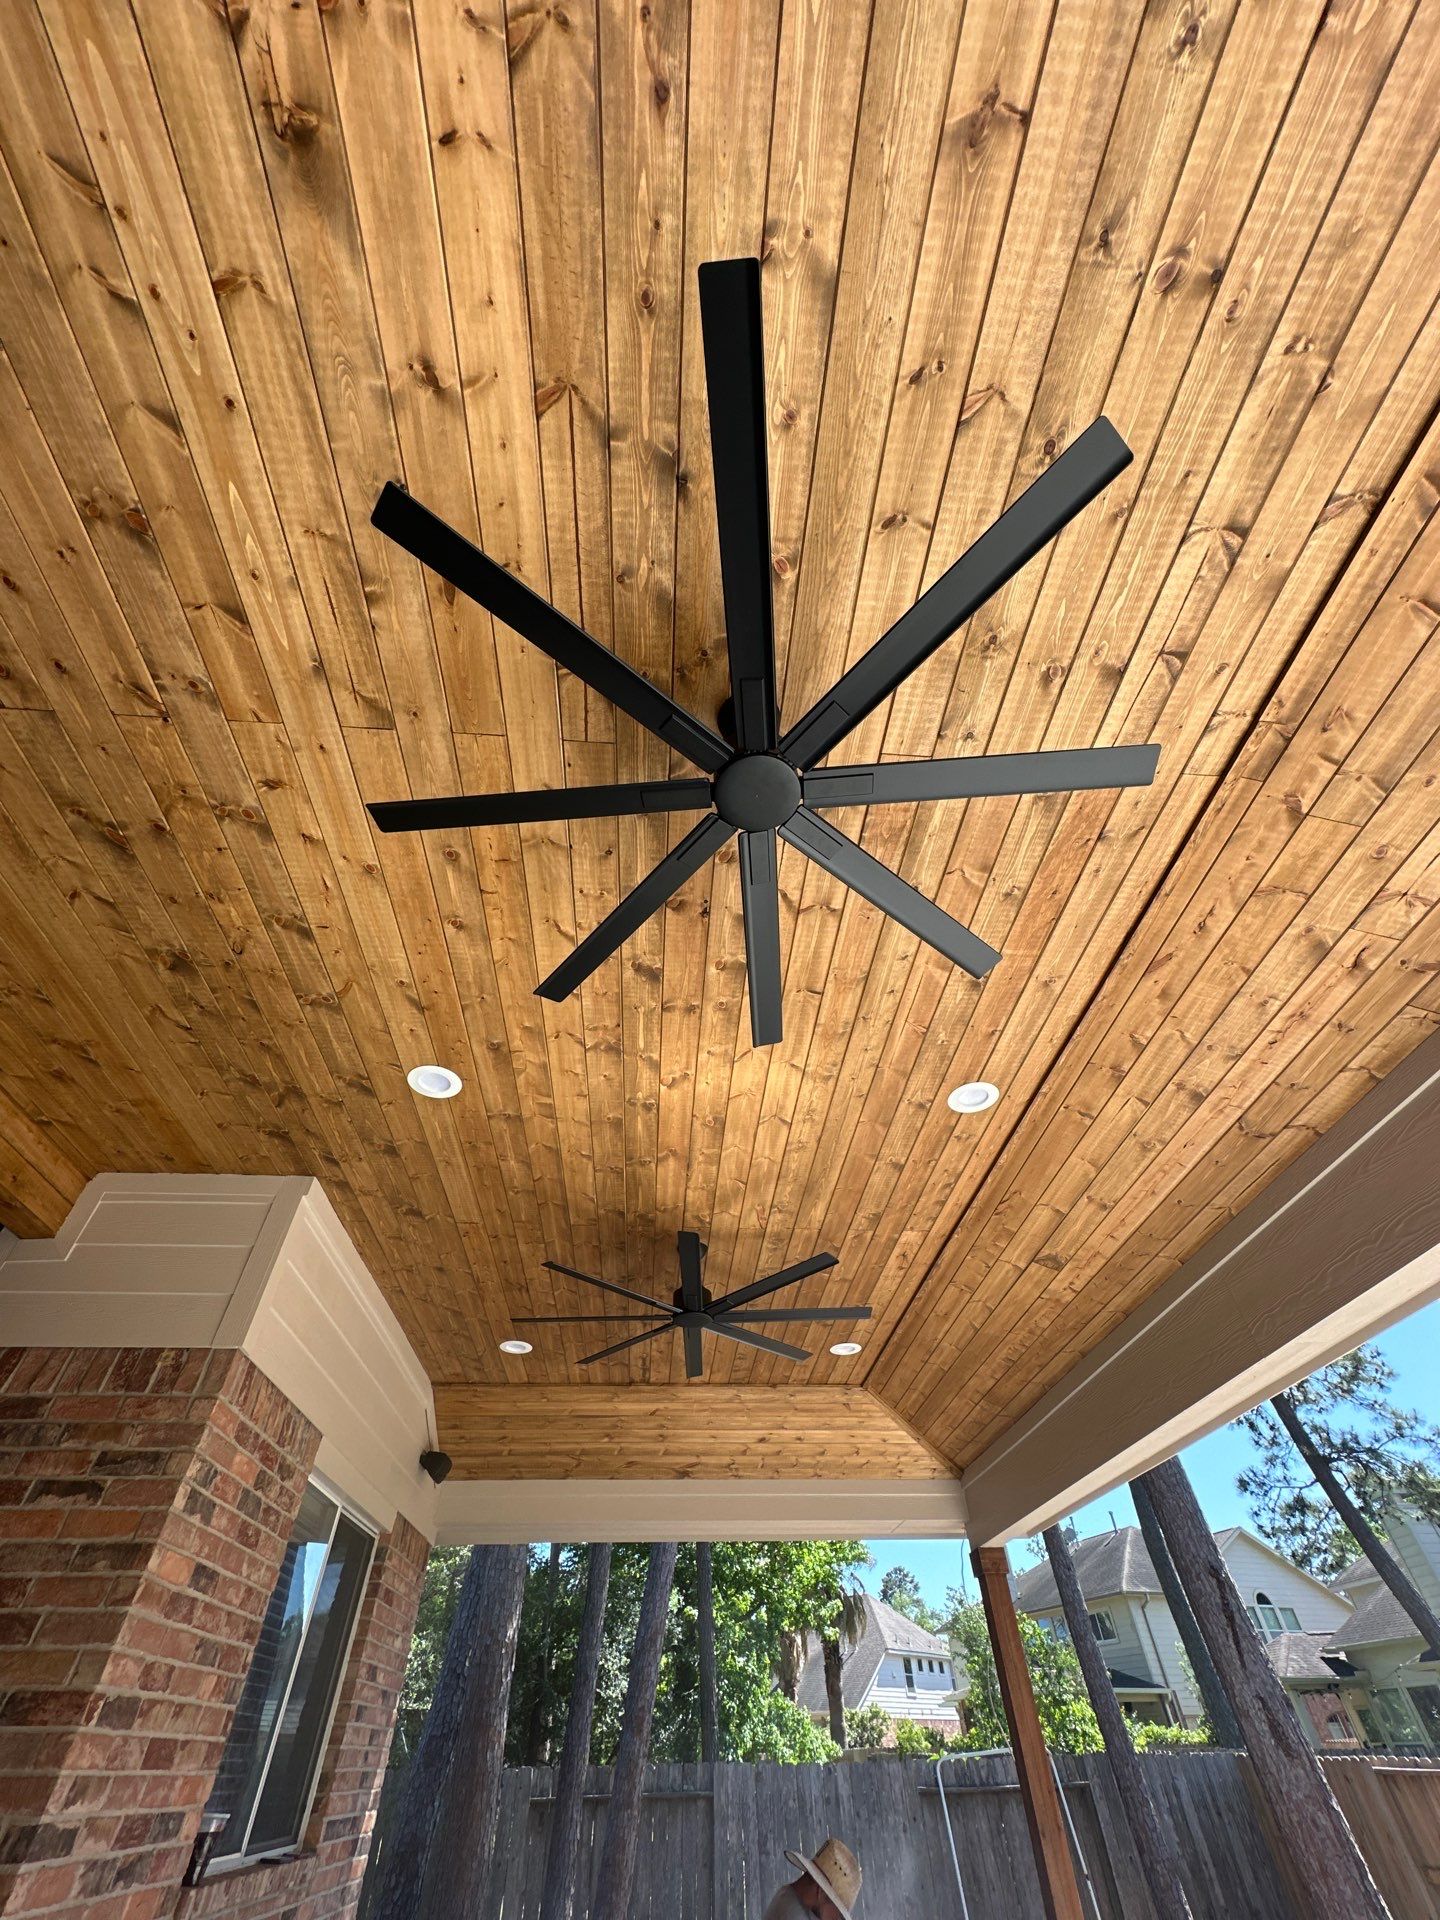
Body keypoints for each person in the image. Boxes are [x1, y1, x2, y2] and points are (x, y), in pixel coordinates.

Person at [762, 1835, 862, 1920]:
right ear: (821, 1892)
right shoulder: (796, 1915)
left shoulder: (787, 1895)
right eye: (838, 1916)